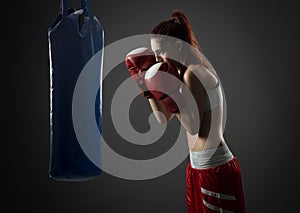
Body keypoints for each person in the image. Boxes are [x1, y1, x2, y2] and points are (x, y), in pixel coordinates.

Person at [125, 10, 246, 213]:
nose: (156, 58)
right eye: (154, 53)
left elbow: (193, 126)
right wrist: (148, 88)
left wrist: (168, 90)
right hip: (196, 168)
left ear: (178, 46)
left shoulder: (194, 73)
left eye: (161, 51)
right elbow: (163, 117)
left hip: (215, 169)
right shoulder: (178, 72)